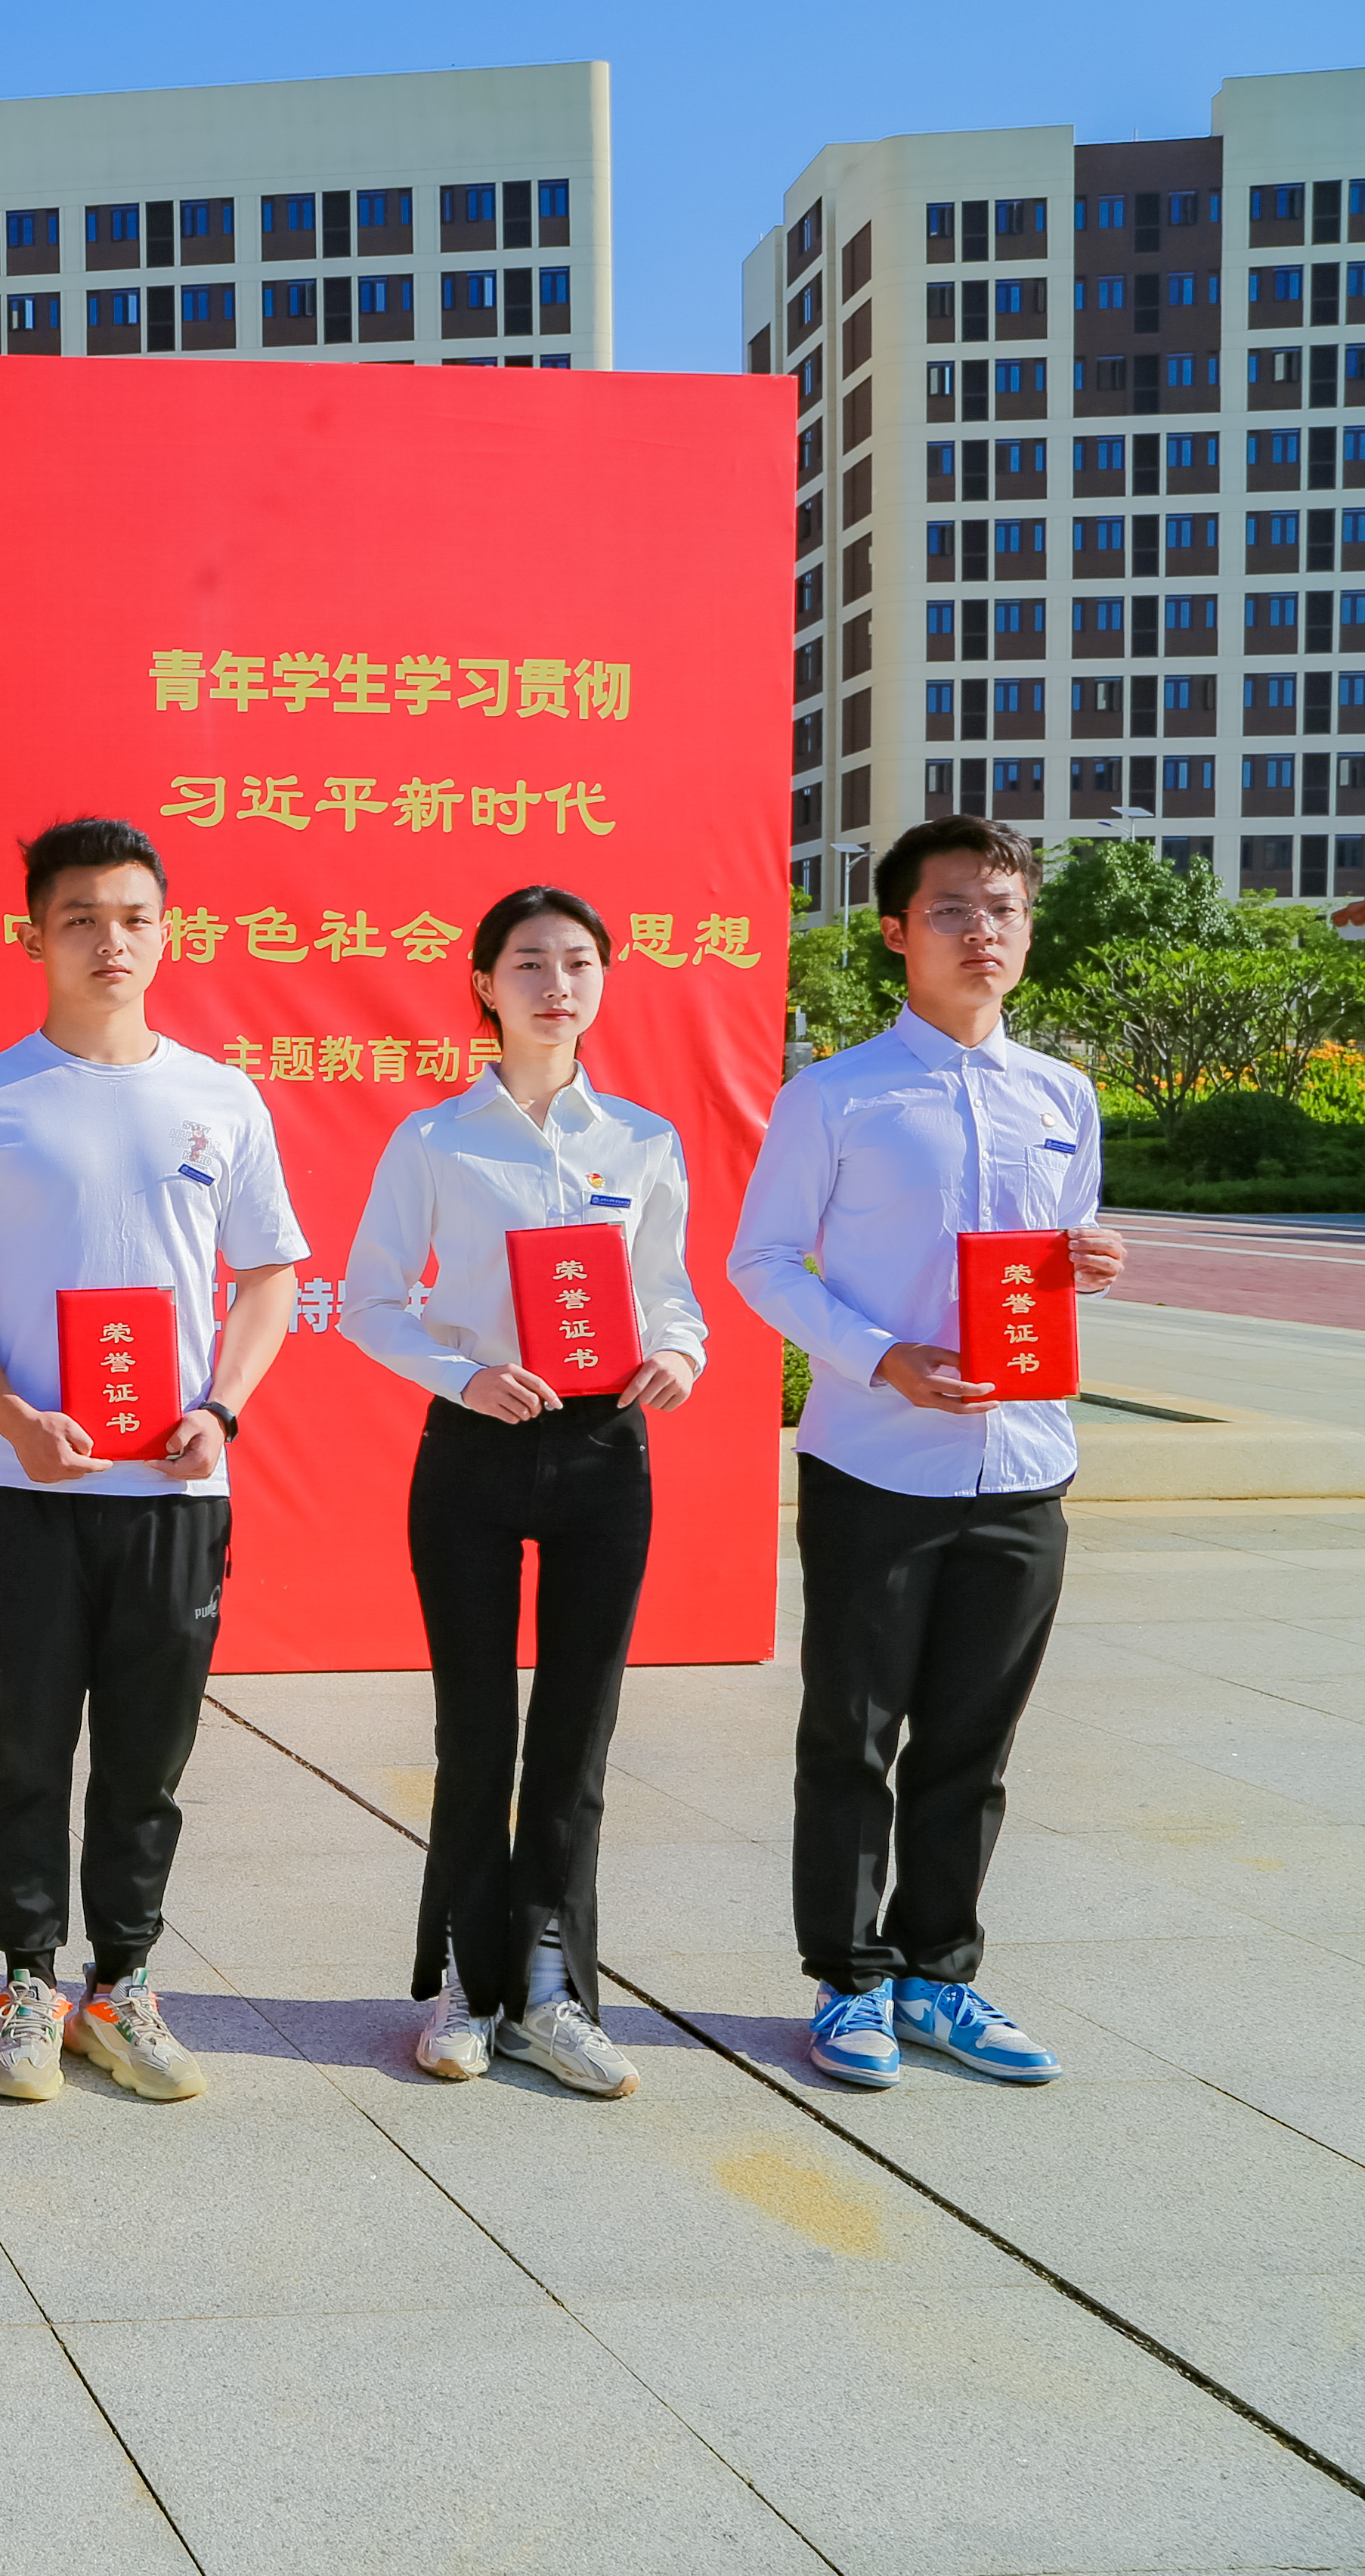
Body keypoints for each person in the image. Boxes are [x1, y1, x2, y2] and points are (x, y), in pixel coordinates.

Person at [0, 818, 301, 2107]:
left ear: (167, 933)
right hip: (28, 1485)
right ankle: (29, 1983)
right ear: (35, 936)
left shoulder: (221, 1100)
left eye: (133, 918)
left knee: (146, 1761)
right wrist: (12, 1412)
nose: (109, 941)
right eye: (80, 918)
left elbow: (270, 1277)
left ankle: (122, 1984)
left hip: (175, 1489)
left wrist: (222, 1407)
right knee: (25, 1751)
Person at [732, 815, 1121, 2091]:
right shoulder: (835, 1094)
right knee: (854, 1732)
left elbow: (1051, 1259)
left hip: (1024, 1464)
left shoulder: (1062, 1095)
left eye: (1003, 909)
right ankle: (849, 1978)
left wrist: (1090, 1259)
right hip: (877, 1461)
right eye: (953, 909)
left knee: (972, 1739)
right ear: (898, 931)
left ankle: (938, 1971)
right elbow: (761, 1261)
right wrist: (878, 1356)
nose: (982, 932)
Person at [339, 886, 705, 2099]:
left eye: (580, 961)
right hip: (476, 1449)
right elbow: (372, 1300)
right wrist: (465, 1373)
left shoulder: (642, 1141)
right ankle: (465, 1981)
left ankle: (552, 1989)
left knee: (577, 1733)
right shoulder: (436, 1141)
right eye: (531, 962)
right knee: (476, 1730)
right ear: (484, 986)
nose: (558, 984)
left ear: (605, 981)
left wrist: (680, 1351)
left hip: (606, 1451)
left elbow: (672, 1291)